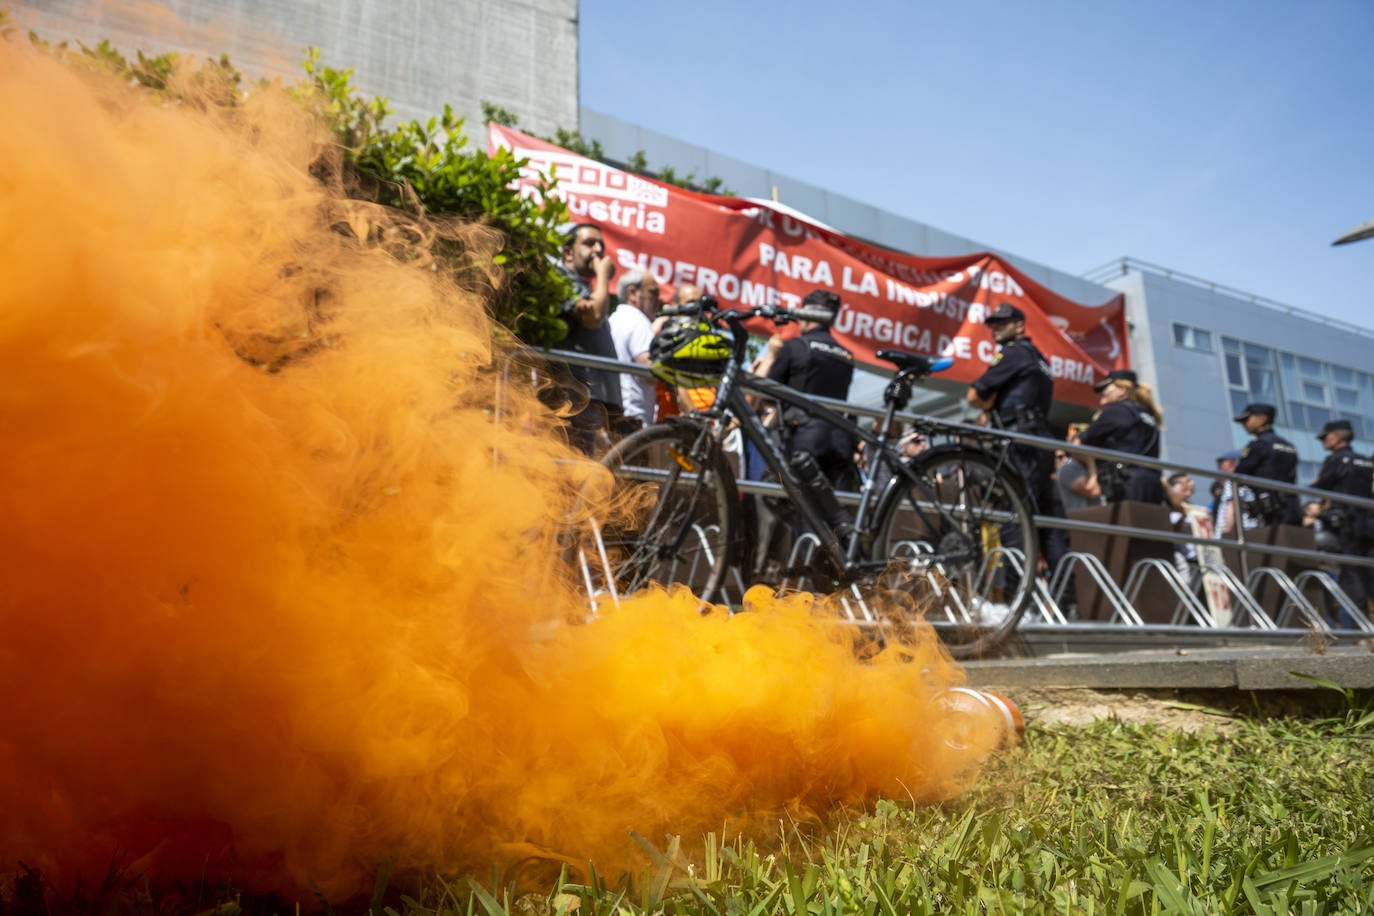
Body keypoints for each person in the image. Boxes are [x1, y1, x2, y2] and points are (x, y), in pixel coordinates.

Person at [966, 302, 1065, 571]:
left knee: (1014, 514)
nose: (994, 328)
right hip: (1039, 440)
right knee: (1048, 521)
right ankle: (1064, 599)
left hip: (1018, 442)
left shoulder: (1013, 353)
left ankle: (1018, 597)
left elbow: (974, 395)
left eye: (1002, 322)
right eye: (992, 323)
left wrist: (987, 406)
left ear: (1019, 326)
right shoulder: (1037, 356)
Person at [755, 289, 856, 490]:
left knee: (796, 504)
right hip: (839, 440)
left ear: (807, 317)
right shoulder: (847, 356)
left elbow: (767, 395)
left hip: (804, 439)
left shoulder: (795, 347)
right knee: (832, 509)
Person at [551, 222, 623, 454]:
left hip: (588, 402)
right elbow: (592, 316)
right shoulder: (559, 278)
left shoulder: (582, 286)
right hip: (572, 401)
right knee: (568, 473)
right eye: (590, 243)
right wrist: (603, 276)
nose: (598, 250)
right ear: (568, 252)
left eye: (601, 244)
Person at [1309, 418, 1374, 623]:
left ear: (1336, 437)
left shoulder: (1336, 459)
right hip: (1366, 523)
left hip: (1345, 523)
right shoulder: (1364, 460)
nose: (1323, 442)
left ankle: (1357, 626)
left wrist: (1316, 488)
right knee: (1366, 572)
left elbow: (1321, 487)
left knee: (1350, 573)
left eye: (1325, 437)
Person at [1077, 368, 1165, 505]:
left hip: (1127, 482)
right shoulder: (1147, 414)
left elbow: (1086, 440)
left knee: (1127, 524)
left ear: (1122, 389)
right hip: (1152, 482)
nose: (1103, 394)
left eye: (1107, 388)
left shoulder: (1117, 411)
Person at [607, 269, 660, 432]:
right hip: (633, 417)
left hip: (614, 409)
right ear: (632, 292)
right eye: (653, 292)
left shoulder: (613, 319)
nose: (659, 300)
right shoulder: (639, 321)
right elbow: (649, 367)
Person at [1232, 403, 1299, 527]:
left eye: (1247, 419)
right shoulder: (1289, 446)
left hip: (1268, 508)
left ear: (1262, 419)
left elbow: (1239, 474)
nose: (1244, 424)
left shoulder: (1259, 444)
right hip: (1292, 505)